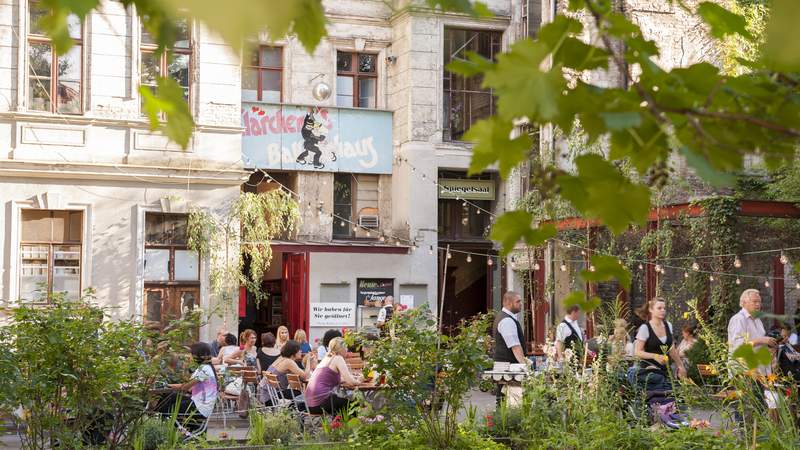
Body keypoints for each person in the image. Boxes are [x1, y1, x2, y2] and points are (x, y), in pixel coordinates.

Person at [728, 289, 778, 415]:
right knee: (746, 412)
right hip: (744, 372)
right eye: (755, 301)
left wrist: (770, 348)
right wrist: (761, 340)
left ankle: (753, 435)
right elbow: (738, 348)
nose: (758, 305)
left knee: (759, 411)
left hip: (758, 372)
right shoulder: (738, 319)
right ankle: (744, 435)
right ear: (744, 302)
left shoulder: (757, 320)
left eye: (759, 302)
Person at [156, 342, 218, 432]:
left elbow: (185, 387)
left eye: (191, 354)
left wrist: (166, 385)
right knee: (170, 397)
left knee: (166, 407)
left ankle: (169, 429)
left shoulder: (203, 370)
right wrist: (168, 386)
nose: (189, 356)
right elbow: (189, 388)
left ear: (196, 355)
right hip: (198, 403)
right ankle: (173, 427)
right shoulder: (205, 367)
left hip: (200, 408)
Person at [633, 298, 686, 391]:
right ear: (651, 310)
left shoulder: (668, 325)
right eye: (659, 308)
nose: (663, 311)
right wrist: (655, 356)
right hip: (649, 372)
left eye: (664, 308)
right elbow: (637, 352)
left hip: (665, 371)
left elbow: (671, 349)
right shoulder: (645, 328)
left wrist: (681, 366)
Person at [493, 291, 531, 405]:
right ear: (509, 303)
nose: (521, 304)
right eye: (518, 301)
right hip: (508, 368)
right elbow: (515, 346)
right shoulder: (507, 320)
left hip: (506, 367)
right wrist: (525, 366)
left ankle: (502, 421)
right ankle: (503, 421)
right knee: (509, 401)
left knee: (505, 400)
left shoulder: (506, 318)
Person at [305, 337, 360, 414]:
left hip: (309, 405)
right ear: (341, 349)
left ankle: (338, 425)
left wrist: (353, 378)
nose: (347, 350)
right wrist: (360, 381)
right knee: (355, 405)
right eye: (346, 348)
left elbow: (330, 379)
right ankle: (347, 425)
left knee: (341, 401)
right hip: (321, 403)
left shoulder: (327, 358)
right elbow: (350, 382)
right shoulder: (338, 358)